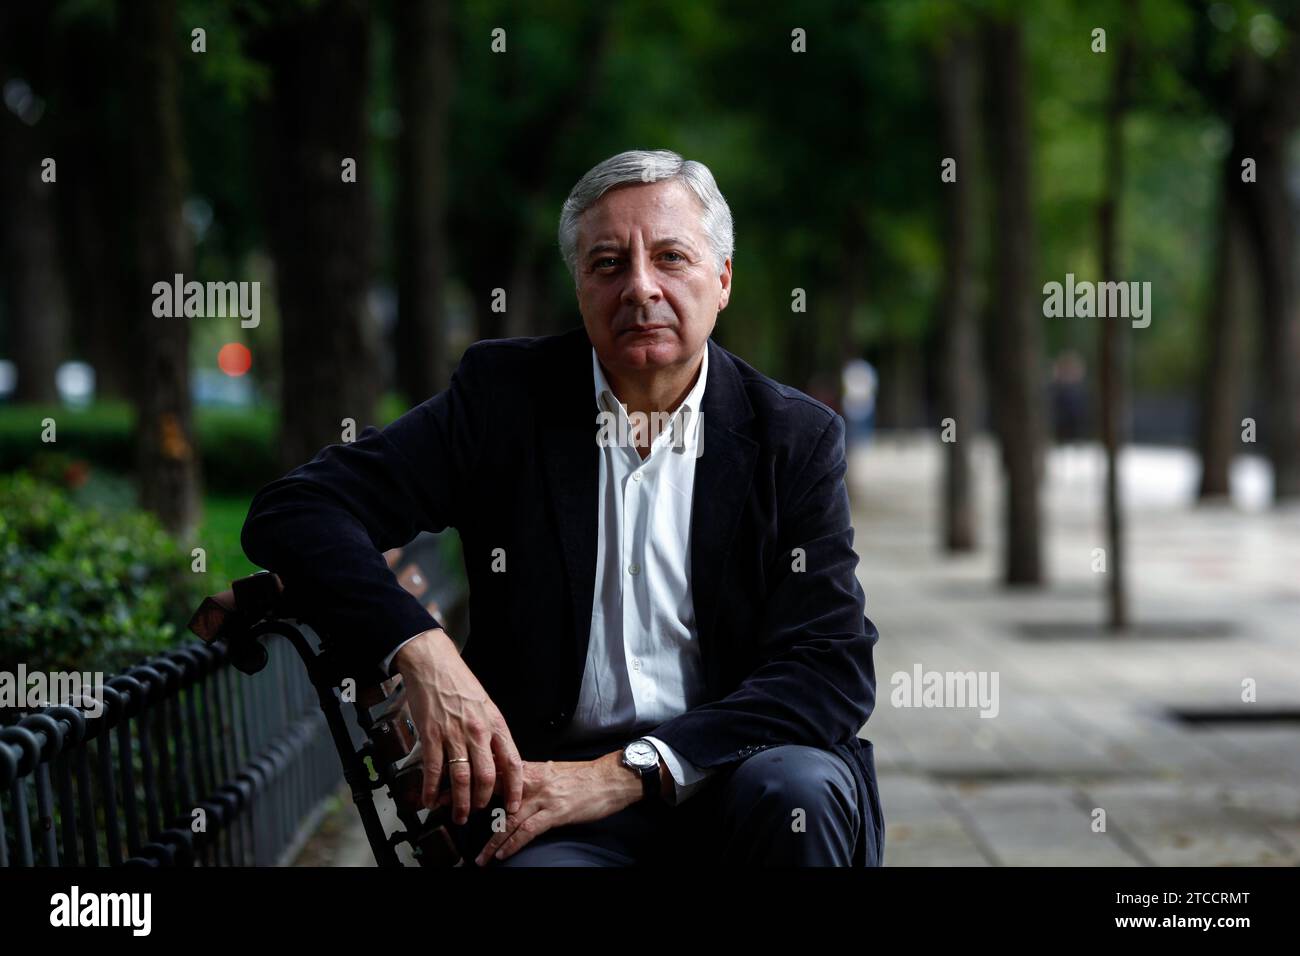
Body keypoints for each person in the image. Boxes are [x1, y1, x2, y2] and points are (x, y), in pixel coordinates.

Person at [241, 149, 884, 866]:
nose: (640, 288)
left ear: (723, 278)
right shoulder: (504, 401)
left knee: (797, 789)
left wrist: (627, 772)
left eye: (671, 257)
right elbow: (296, 509)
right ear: (579, 288)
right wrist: (419, 646)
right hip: (552, 798)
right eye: (607, 264)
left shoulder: (792, 437)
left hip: (737, 769)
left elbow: (830, 667)